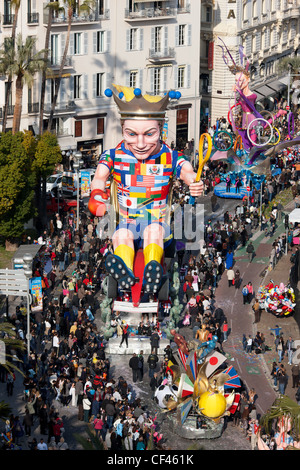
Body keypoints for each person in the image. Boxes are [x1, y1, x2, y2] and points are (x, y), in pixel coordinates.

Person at [89, 84, 203, 295]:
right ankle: (126, 273)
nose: (140, 143)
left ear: (161, 128)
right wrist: (97, 195)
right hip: (126, 221)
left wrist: (193, 182)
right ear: (123, 128)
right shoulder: (112, 155)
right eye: (131, 134)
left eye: (149, 134)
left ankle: (153, 269)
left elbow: (187, 170)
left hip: (156, 221)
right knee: (121, 234)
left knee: (154, 232)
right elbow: (99, 177)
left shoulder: (169, 157)